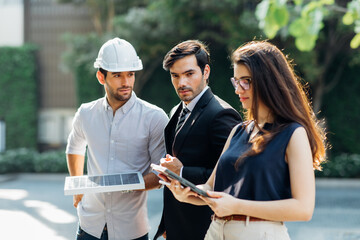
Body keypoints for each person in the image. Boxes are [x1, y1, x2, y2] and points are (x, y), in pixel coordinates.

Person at [166, 40, 327, 240]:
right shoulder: (238, 131)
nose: (238, 90)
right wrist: (187, 193)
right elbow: (210, 188)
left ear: (269, 81)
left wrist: (236, 206)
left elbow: (303, 209)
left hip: (259, 233)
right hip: (216, 231)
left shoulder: (293, 134)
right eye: (236, 81)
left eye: (246, 81)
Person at [66, 38, 169, 240]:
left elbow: (161, 174)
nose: (126, 82)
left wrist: (124, 184)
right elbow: (74, 148)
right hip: (89, 226)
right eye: (117, 75)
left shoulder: (155, 118)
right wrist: (77, 189)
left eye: (130, 74)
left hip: (132, 229)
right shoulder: (86, 113)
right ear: (101, 77)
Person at [154, 40, 242, 240]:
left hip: (206, 229)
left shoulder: (222, 114)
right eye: (175, 76)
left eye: (189, 74)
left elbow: (232, 178)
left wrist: (182, 172)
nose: (181, 83)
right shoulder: (177, 109)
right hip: (177, 228)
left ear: (206, 71)